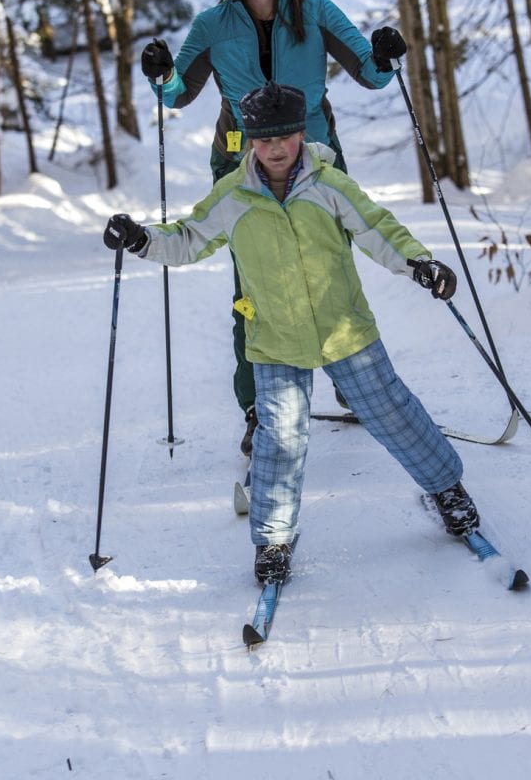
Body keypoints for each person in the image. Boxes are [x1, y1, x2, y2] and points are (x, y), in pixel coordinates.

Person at [103, 81, 479, 587]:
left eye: (285, 137)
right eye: (264, 139)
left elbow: (376, 227)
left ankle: (446, 488)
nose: (276, 149)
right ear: (249, 140)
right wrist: (142, 239)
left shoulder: (330, 184)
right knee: (278, 439)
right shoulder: (233, 196)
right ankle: (274, 539)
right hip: (275, 338)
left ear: (301, 133)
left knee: (392, 411)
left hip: (343, 327)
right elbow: (190, 238)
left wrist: (420, 264)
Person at [140, 0, 407, 457]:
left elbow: (373, 73)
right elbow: (176, 95)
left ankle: (352, 380)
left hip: (315, 159)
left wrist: (384, 52)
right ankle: (258, 405)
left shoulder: (316, 10)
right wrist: (160, 71)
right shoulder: (213, 25)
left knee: (331, 273)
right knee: (253, 288)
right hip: (242, 165)